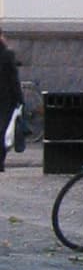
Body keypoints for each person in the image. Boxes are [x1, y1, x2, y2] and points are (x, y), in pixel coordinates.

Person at [0, 31, 23, 172]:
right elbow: (14, 79)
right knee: (2, 130)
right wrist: (20, 99)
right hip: (5, 98)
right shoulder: (7, 54)